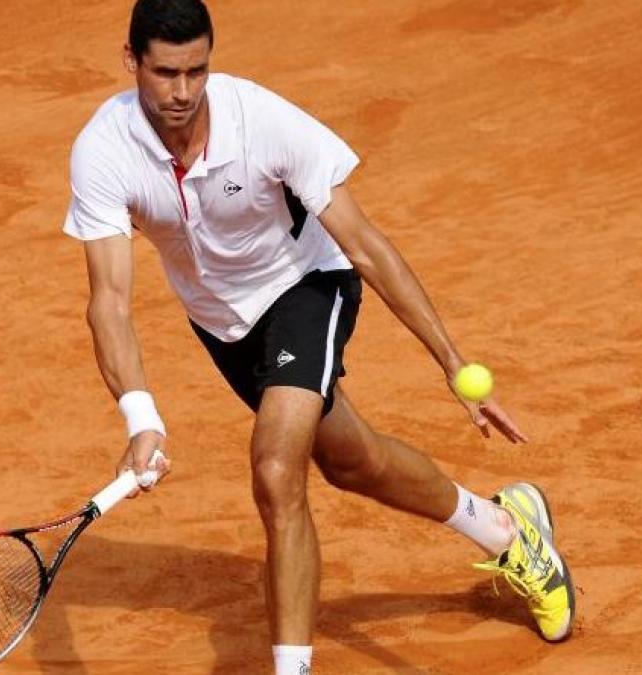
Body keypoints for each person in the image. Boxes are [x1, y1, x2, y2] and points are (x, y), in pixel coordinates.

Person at [61, 1, 576, 672]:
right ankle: (507, 529)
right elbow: (110, 301)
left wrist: (453, 365)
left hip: (308, 287)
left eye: (197, 71)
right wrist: (141, 414)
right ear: (132, 61)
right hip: (223, 324)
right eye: (165, 73)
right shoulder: (103, 150)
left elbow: (366, 247)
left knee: (277, 470)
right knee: (350, 461)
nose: (184, 92)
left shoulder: (263, 123)